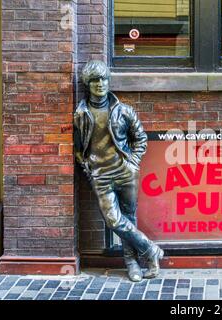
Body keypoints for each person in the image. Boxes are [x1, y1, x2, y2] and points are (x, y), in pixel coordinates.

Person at [74, 60, 164, 282]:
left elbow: (140, 138)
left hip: (125, 172)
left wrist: (132, 163)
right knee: (114, 221)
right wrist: (88, 169)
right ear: (87, 83)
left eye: (103, 79)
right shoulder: (81, 114)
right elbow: (78, 149)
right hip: (101, 176)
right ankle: (151, 250)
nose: (100, 84)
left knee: (128, 219)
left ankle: (133, 264)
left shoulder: (123, 110)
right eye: (95, 80)